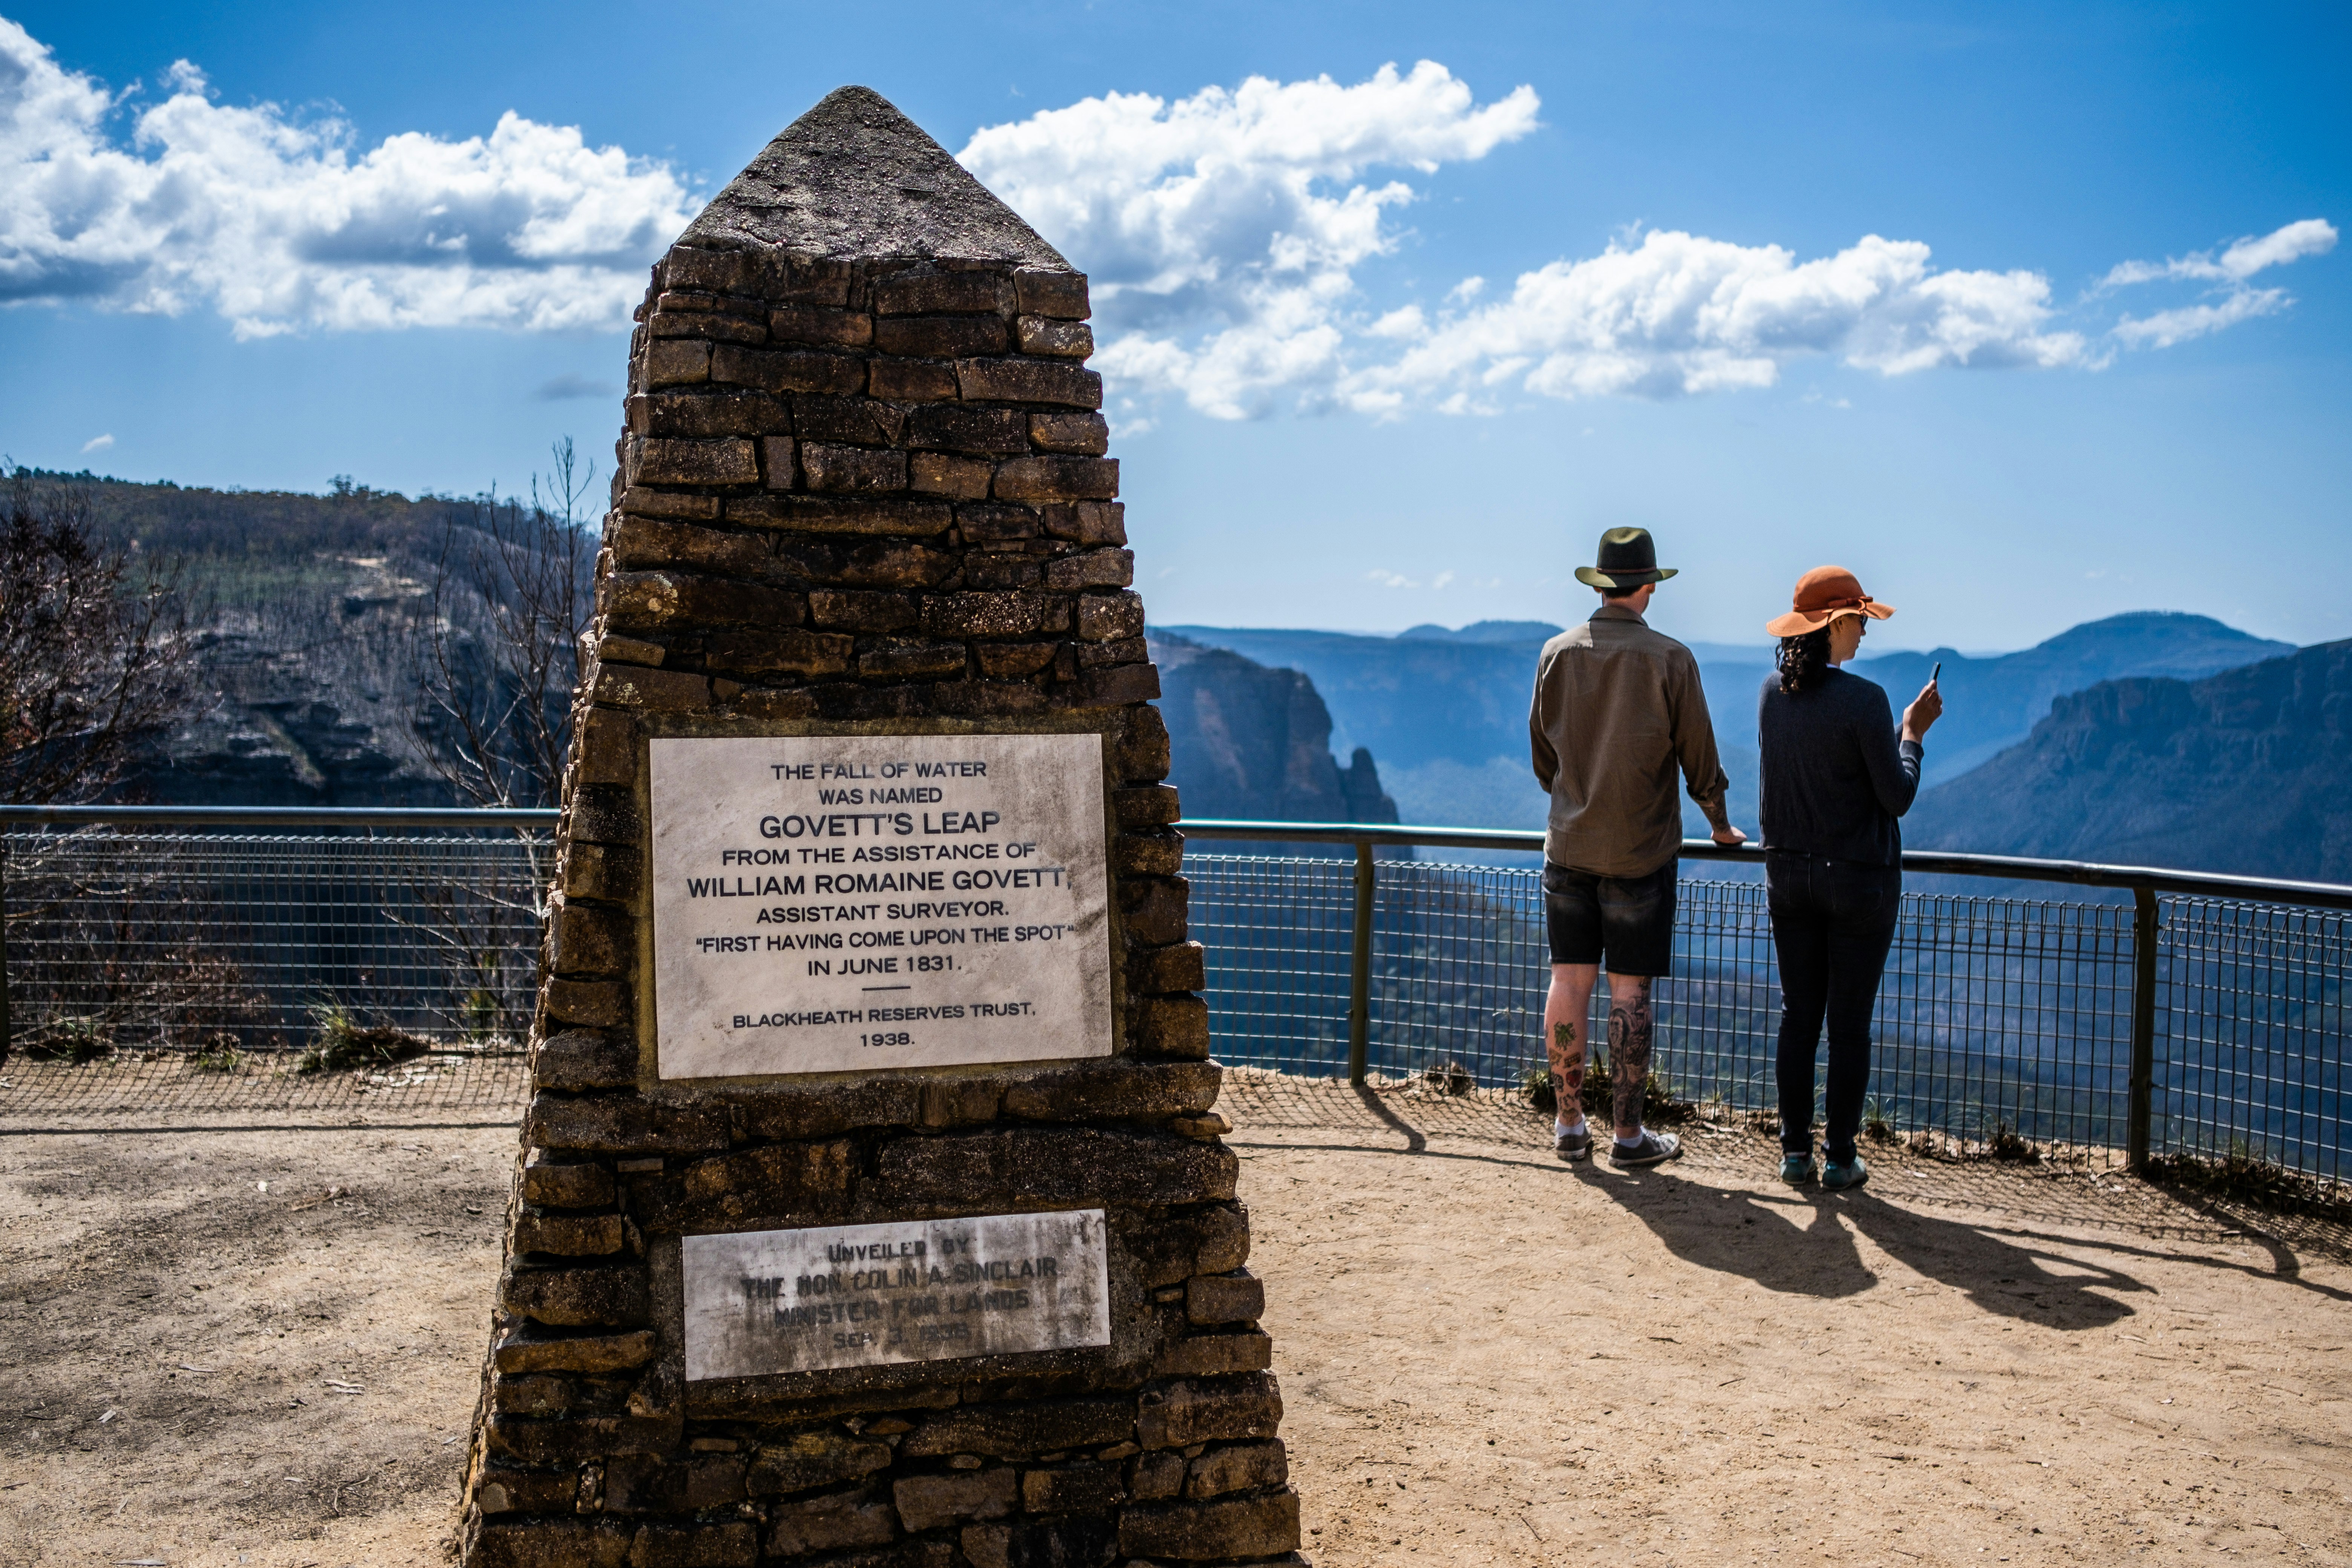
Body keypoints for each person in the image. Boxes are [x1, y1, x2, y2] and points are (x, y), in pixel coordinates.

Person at [1531, 527, 1747, 1167]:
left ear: (1601, 585)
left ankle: (1570, 1128)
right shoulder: (1671, 659)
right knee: (1631, 995)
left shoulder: (1556, 654)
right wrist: (1721, 823)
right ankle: (1629, 1138)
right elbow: (1699, 760)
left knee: (1568, 981)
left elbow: (1545, 757)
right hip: (1640, 856)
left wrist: (1574, 796)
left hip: (1567, 847)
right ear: (1648, 587)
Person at [1757, 566, 1942, 1190]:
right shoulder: (1868, 701)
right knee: (1849, 1025)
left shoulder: (1770, 696)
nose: (1864, 632)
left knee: (1798, 1017)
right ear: (1835, 624)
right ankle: (1840, 1157)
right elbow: (1895, 796)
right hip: (1859, 885)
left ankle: (1793, 1153)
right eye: (1859, 621)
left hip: (1788, 879)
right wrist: (1911, 738)